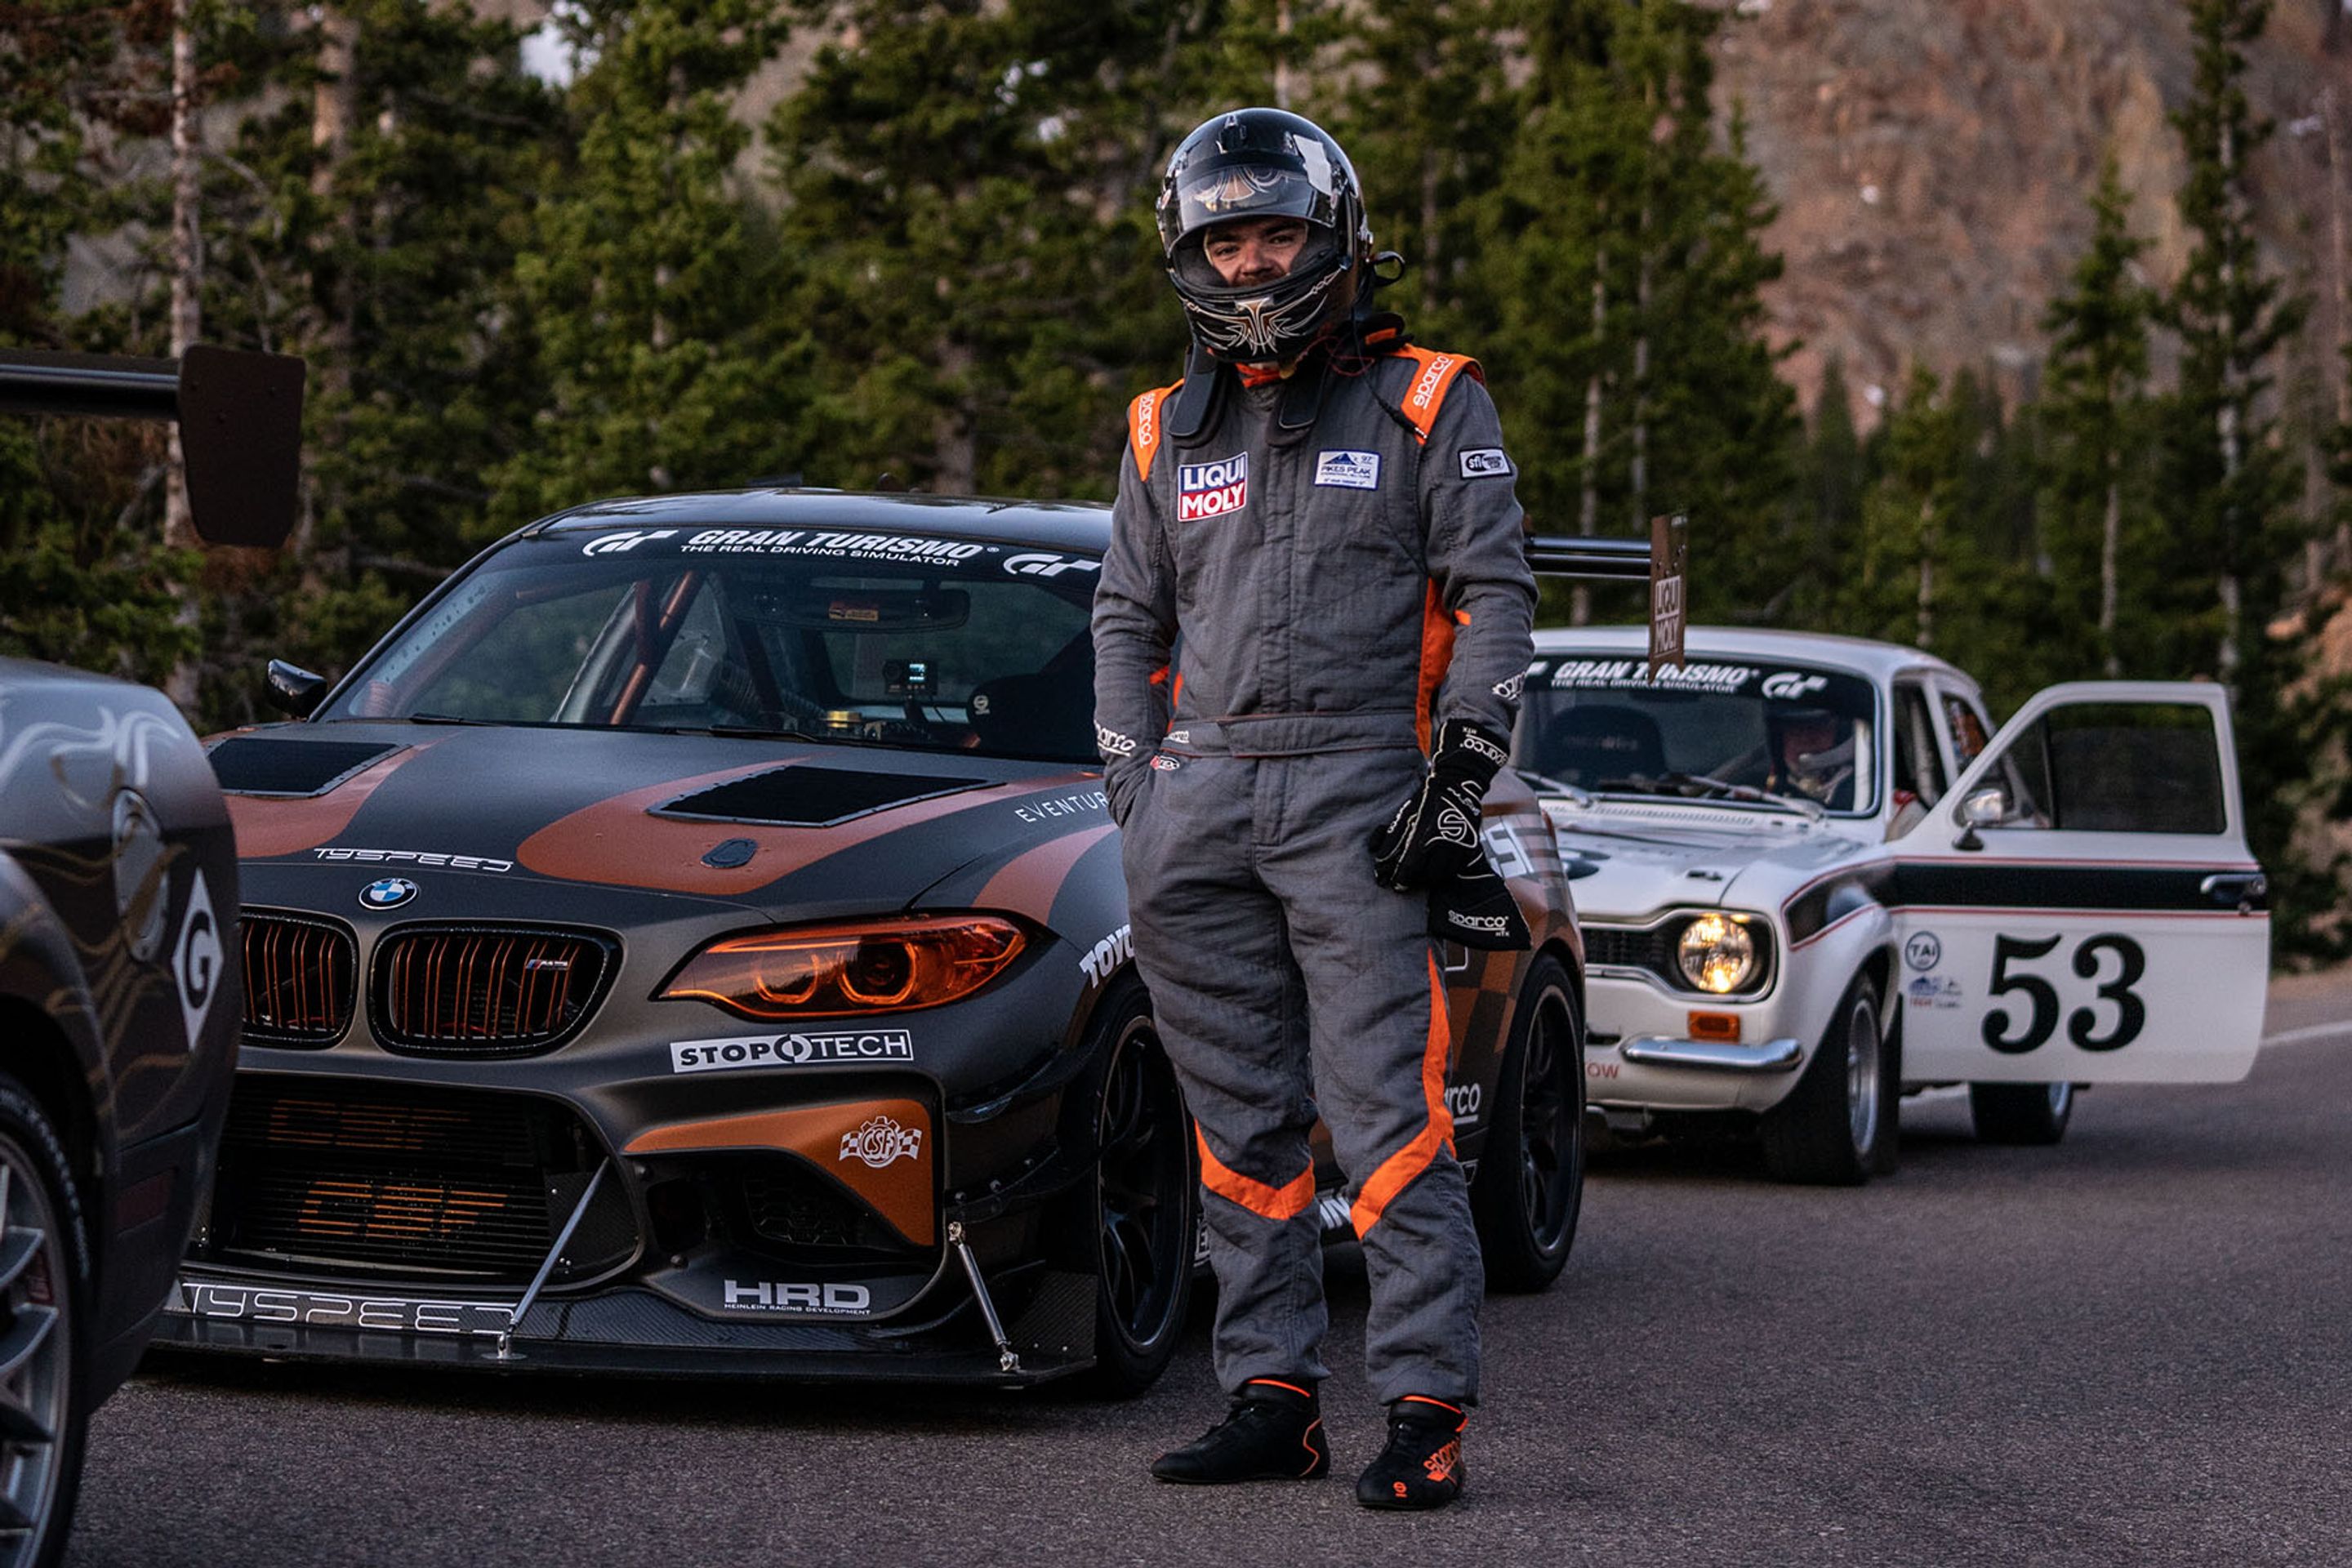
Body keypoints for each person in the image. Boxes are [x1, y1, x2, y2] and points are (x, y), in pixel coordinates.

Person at [1091, 107, 1535, 1512]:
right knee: (1237, 1124)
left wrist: (1459, 776)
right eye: (1222, 239)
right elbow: (1123, 617)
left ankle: (1423, 1410)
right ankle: (1272, 1397)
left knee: (1385, 1115)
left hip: (1360, 790)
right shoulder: (1164, 425)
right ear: (1186, 254)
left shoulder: (1429, 396)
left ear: (1334, 236)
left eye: (1275, 232)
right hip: (1198, 799)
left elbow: (1495, 596)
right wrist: (1134, 790)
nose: (1249, 263)